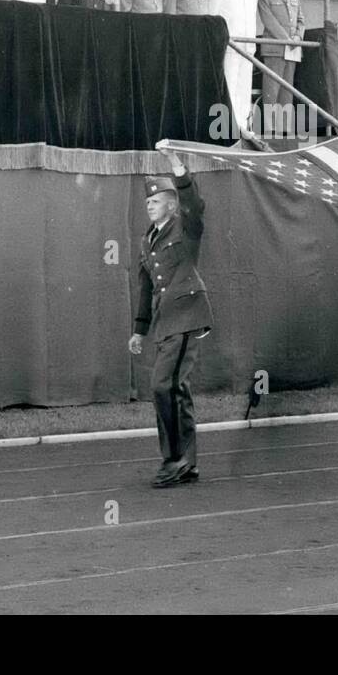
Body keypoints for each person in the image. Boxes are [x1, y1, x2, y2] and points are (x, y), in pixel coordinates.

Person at [128, 149, 214, 488]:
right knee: (177, 390)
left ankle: (174, 459)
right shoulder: (146, 241)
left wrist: (179, 169)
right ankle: (187, 463)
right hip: (166, 322)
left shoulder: (186, 227)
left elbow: (196, 206)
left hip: (187, 316)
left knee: (163, 385)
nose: (150, 204)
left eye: (158, 199)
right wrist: (139, 331)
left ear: (172, 205)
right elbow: (146, 285)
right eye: (148, 201)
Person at [208, 0, 260, 136]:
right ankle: (226, 126)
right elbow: (212, 17)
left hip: (247, 46)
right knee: (228, 84)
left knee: (244, 87)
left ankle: (242, 126)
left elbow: (251, 20)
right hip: (229, 45)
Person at [256, 0, 304, 113]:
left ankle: (284, 131)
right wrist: (286, 39)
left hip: (292, 48)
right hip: (275, 48)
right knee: (272, 90)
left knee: (287, 91)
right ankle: (270, 131)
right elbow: (268, 20)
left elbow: (301, 20)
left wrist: (297, 37)